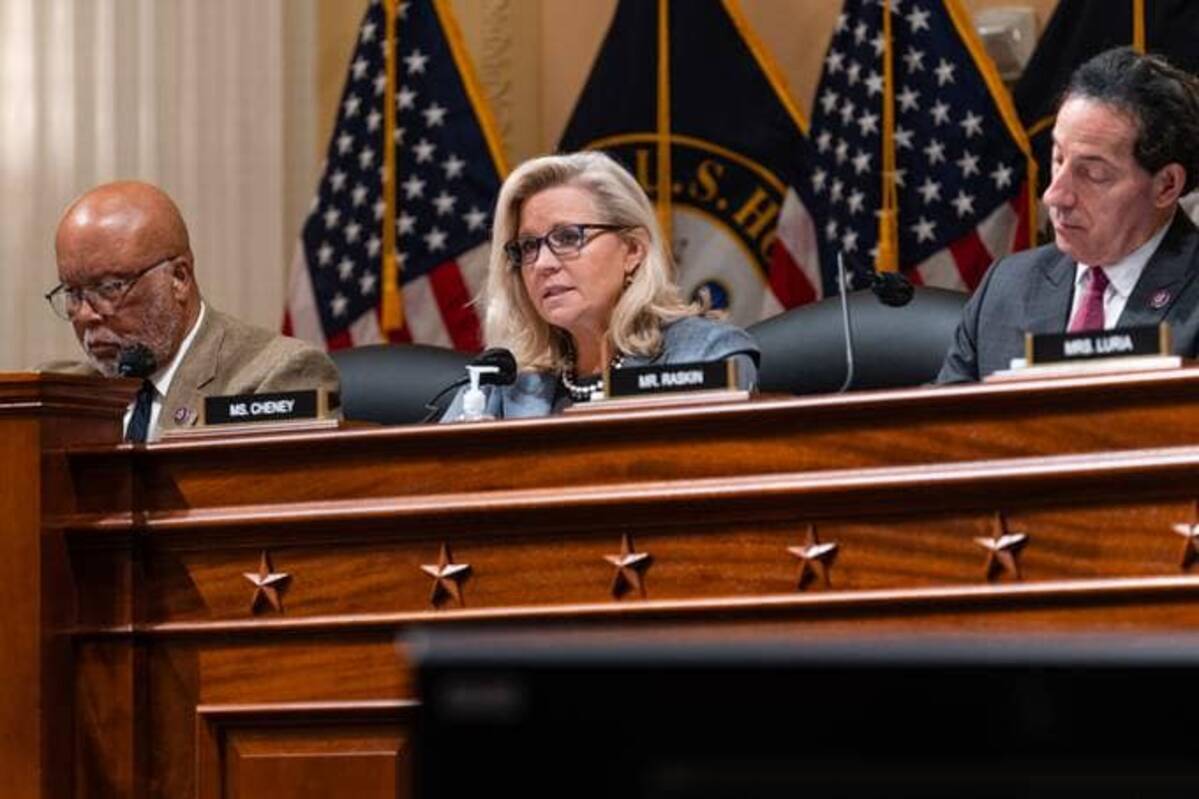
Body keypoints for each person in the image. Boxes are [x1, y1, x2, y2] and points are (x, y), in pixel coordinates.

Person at [938, 47, 1199, 383]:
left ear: (1166, 185)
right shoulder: (1007, 286)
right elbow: (938, 428)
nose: (1054, 195)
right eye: (1058, 159)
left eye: (1093, 174)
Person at [442, 151, 759, 420]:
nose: (542, 264)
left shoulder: (706, 356)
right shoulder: (501, 384)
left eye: (568, 237)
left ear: (633, 250)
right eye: (528, 247)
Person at [39, 181, 339, 440]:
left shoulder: (276, 376)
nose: (84, 314)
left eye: (110, 287)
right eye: (73, 293)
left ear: (179, 278)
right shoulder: (54, 397)